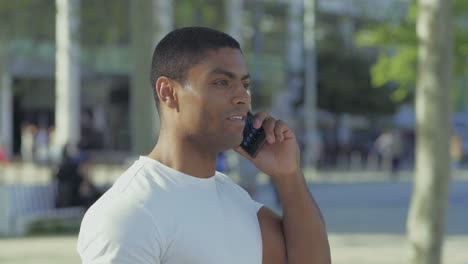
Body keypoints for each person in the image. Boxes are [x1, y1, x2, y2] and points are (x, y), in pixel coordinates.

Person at [77, 27, 330, 264]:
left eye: (245, 84)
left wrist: (289, 175)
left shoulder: (233, 198)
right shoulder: (128, 213)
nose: (242, 97)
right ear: (168, 92)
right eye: (221, 82)